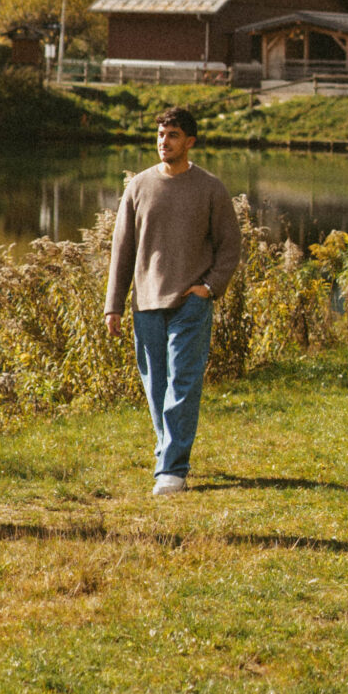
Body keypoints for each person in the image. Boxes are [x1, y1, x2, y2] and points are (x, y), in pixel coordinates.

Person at [103, 106, 241, 496]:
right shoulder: (139, 186)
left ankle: (171, 469)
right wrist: (113, 304)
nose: (165, 142)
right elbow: (122, 249)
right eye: (161, 135)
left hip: (191, 302)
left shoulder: (210, 188)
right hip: (145, 303)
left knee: (182, 383)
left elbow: (230, 247)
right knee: (156, 386)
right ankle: (169, 452)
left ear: (190, 142)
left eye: (174, 135)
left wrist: (210, 288)